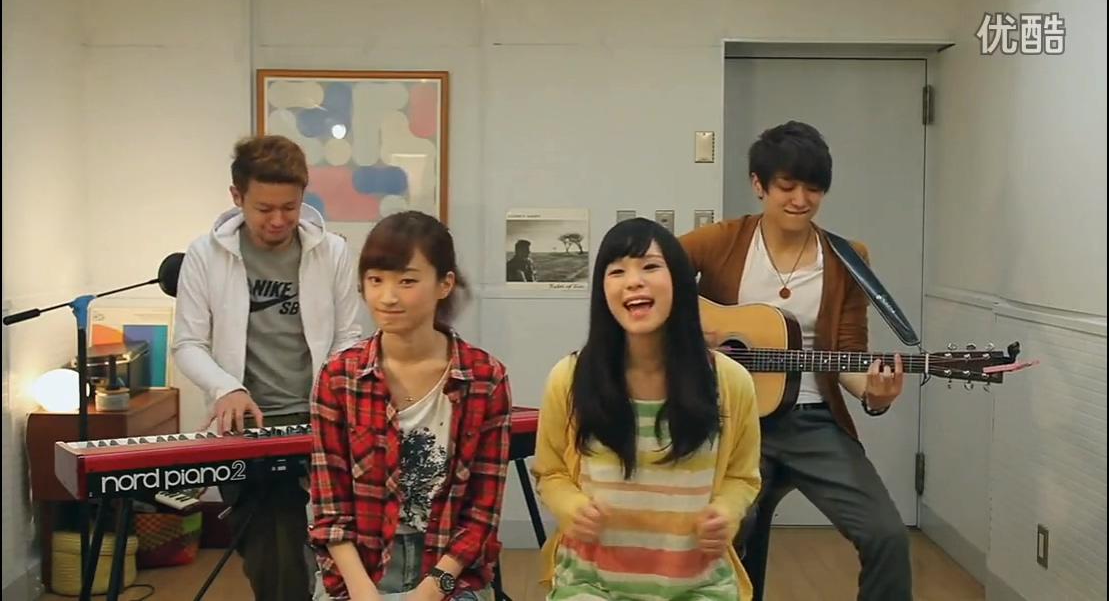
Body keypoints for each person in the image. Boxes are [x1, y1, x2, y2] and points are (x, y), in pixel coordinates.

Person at [678, 120, 910, 601]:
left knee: (886, 534)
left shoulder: (848, 257)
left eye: (814, 188)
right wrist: (686, 336)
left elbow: (847, 355)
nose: (801, 200)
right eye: (787, 186)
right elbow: (645, 277)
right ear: (758, 184)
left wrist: (875, 394)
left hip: (813, 422)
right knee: (722, 535)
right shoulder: (721, 240)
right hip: (733, 421)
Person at [172, 134, 364, 601]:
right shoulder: (205, 255)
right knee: (271, 553)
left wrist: (333, 396)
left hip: (320, 417)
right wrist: (226, 388)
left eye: (289, 207)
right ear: (237, 197)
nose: (278, 220)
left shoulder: (331, 251)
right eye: (264, 209)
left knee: (342, 543)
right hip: (247, 422)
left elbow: (348, 338)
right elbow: (188, 344)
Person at [531, 217, 763, 601]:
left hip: (699, 585)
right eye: (617, 271)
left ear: (679, 282)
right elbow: (550, 471)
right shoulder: (569, 377)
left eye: (650, 266)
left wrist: (726, 510)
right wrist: (571, 507)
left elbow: (743, 476)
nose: (633, 281)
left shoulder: (729, 381)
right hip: (591, 584)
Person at [308, 210, 513, 601]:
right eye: (375, 280)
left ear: (444, 284)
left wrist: (431, 591)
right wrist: (363, 592)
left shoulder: (485, 377)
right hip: (360, 566)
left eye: (407, 281)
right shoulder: (339, 376)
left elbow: (482, 513)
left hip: (451, 569)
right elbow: (330, 508)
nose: (388, 297)